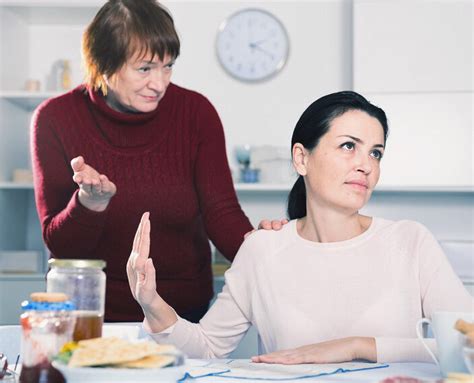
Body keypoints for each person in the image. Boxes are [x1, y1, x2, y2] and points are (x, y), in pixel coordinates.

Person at [127, 90, 473, 363]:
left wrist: (357, 347)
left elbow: (467, 341)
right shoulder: (263, 249)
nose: (366, 165)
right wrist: (152, 303)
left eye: (376, 153)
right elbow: (207, 349)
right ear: (301, 158)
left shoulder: (410, 241)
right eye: (349, 146)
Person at [30, 0, 283, 323]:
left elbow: (221, 213)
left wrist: (262, 256)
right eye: (145, 68)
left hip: (183, 313)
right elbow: (61, 246)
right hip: (93, 314)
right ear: (103, 64)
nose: (160, 83)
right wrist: (89, 204)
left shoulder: (195, 112)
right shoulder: (55, 118)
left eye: (168, 66)